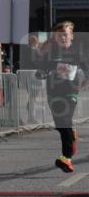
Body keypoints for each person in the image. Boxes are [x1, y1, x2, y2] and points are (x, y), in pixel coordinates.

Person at [36, 21, 87, 172]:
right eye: (59, 36)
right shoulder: (50, 55)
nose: (62, 38)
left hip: (70, 93)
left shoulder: (78, 54)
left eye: (65, 35)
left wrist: (82, 85)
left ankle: (66, 158)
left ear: (71, 36)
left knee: (64, 122)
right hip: (53, 94)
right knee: (61, 125)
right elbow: (40, 72)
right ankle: (72, 137)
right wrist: (46, 72)